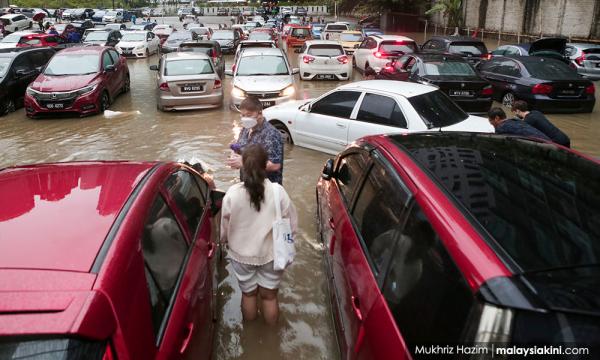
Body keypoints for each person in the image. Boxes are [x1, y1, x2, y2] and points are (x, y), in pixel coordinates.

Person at [220, 144, 298, 325]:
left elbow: (224, 228)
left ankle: (250, 335)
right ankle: (272, 339)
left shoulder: (232, 194)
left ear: (243, 166)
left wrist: (224, 241)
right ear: (265, 166)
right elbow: (292, 225)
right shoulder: (278, 192)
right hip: (272, 256)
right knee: (269, 297)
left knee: (248, 294)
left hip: (241, 256)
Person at [227, 97, 284, 184]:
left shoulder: (271, 134)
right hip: (247, 184)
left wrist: (245, 163)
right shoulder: (245, 129)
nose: (245, 118)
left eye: (249, 115)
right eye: (242, 115)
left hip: (266, 188)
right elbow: (239, 146)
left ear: (260, 113)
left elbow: (275, 165)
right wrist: (234, 153)